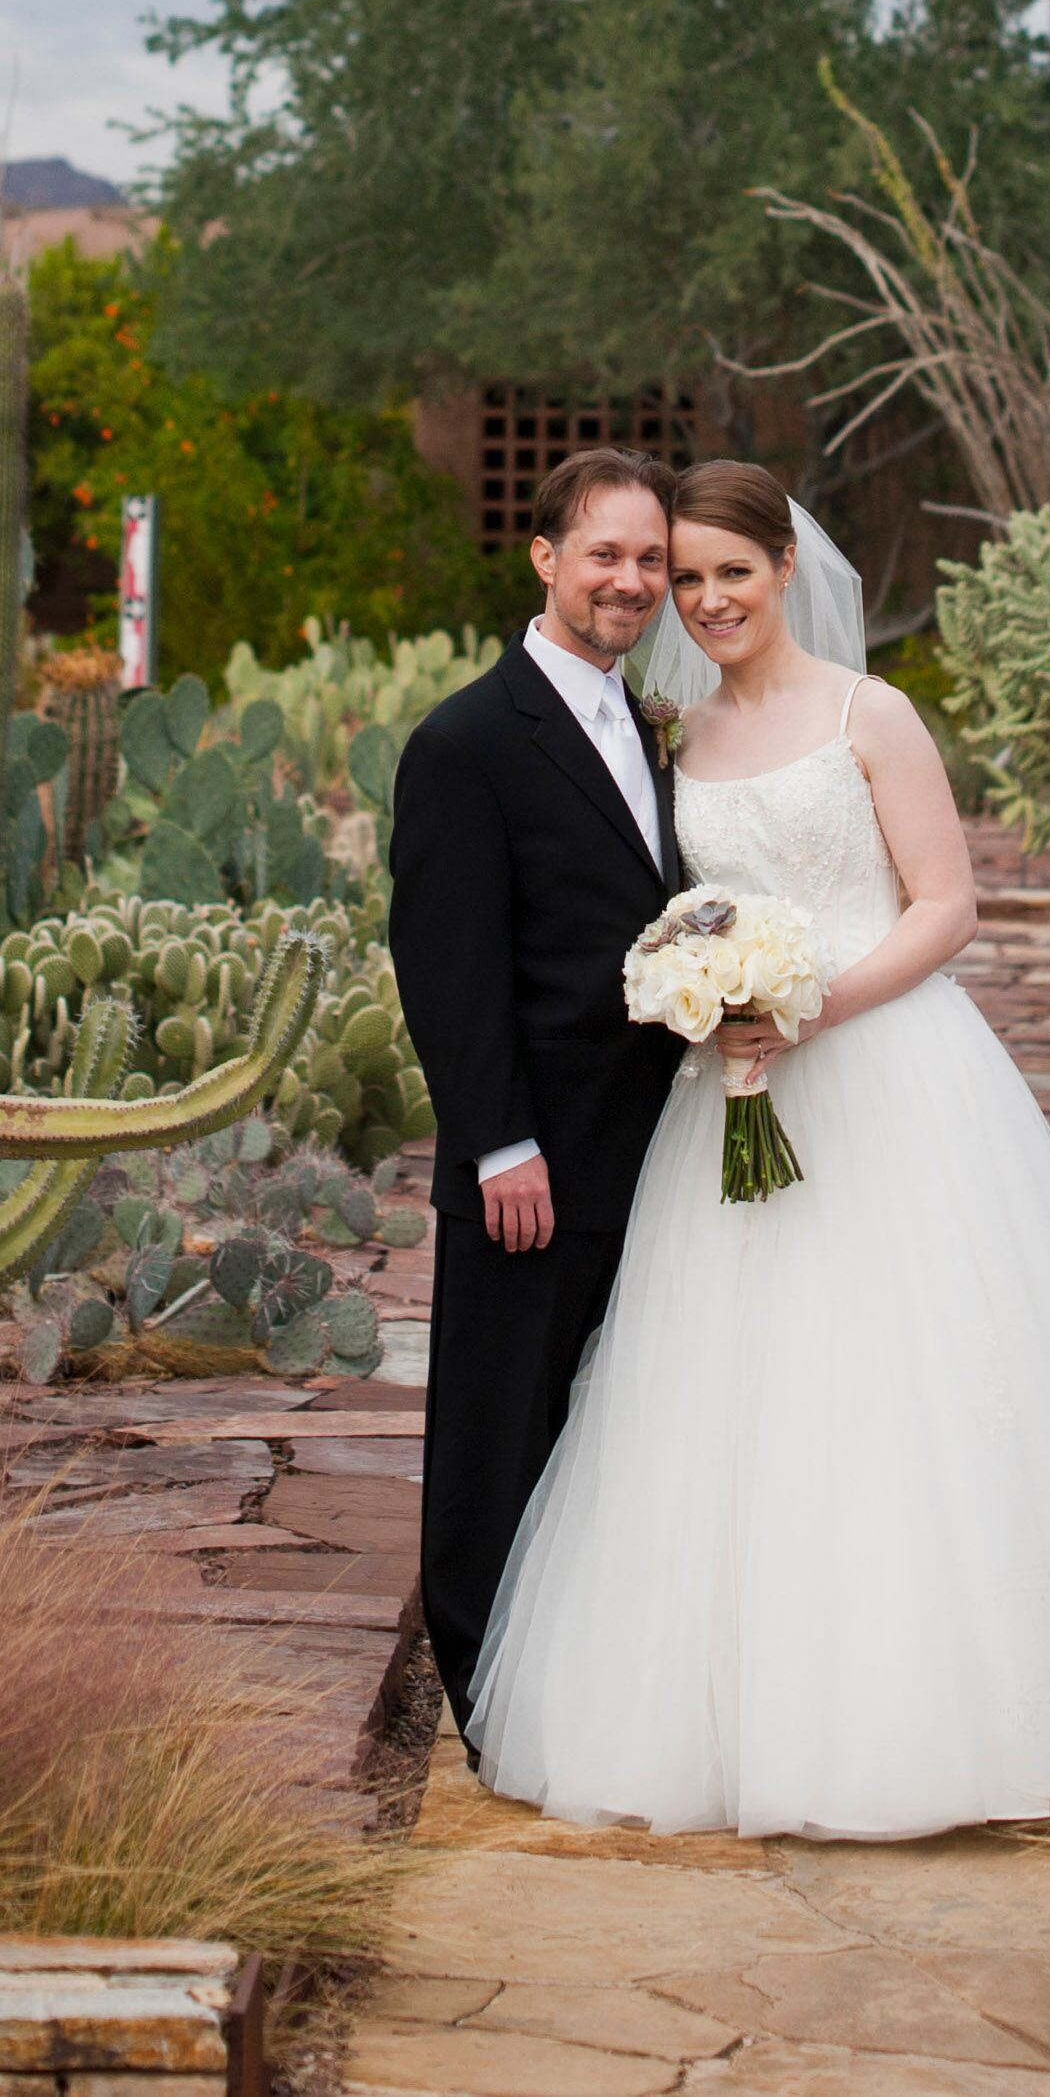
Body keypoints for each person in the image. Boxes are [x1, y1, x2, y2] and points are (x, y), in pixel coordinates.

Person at [467, 458, 1050, 1840]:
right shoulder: (673, 736)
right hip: (733, 1097)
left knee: (912, 1381)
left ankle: (946, 1710)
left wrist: (810, 1007)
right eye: (682, 579)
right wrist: (716, 1003)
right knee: (730, 1393)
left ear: (783, 567)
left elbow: (946, 906)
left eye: (725, 572)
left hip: (886, 1075)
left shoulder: (871, 713)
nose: (701, 600)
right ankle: (733, 1712)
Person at [386, 446, 683, 1740]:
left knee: (603, 1419)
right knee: (497, 1426)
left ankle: (586, 1676)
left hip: (647, 1141)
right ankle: (485, 1693)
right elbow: (446, 963)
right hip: (534, 1155)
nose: (628, 579)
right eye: (604, 552)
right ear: (544, 558)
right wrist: (497, 1140)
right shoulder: (464, 739)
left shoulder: (646, 719)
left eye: (650, 559)